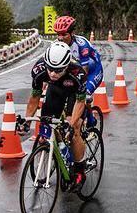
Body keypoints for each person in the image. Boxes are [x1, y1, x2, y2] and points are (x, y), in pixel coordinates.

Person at [18, 41, 88, 190]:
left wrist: (71, 123)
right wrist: (27, 122)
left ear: (67, 66)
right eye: (50, 69)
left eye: (58, 70)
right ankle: (59, 149)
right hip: (55, 91)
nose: (53, 73)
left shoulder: (78, 72)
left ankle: (80, 169)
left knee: (73, 128)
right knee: (47, 126)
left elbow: (80, 102)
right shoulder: (39, 69)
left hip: (73, 95)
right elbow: (34, 98)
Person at [53, 15, 104, 124]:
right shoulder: (56, 45)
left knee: (83, 94)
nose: (60, 38)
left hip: (93, 70)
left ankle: (89, 118)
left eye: (64, 34)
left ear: (72, 33)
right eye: (58, 34)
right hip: (75, 69)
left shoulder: (82, 45)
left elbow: (84, 72)